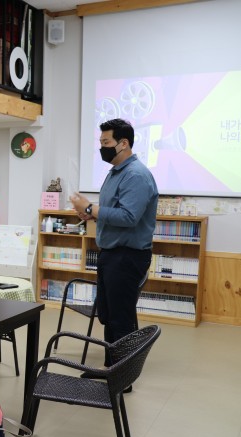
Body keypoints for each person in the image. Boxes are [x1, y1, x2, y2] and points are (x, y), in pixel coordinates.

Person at [69, 118, 158, 368]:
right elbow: (111, 213)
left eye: (106, 142)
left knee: (120, 319)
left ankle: (120, 377)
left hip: (127, 257)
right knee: (109, 316)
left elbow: (129, 217)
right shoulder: (115, 173)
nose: (102, 147)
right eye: (100, 142)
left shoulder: (136, 175)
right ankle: (112, 370)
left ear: (123, 143)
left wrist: (90, 206)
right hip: (111, 254)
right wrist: (90, 213)